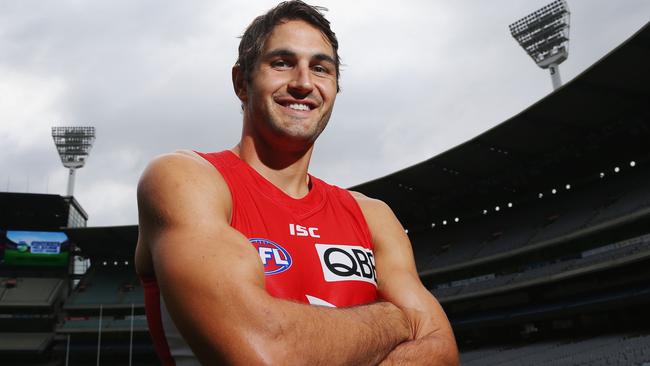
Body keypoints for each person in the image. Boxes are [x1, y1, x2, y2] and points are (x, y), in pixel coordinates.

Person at [135, 1, 458, 365]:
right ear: (242, 82)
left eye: (321, 68)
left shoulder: (372, 216)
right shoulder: (185, 179)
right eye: (282, 63)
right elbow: (269, 351)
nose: (304, 83)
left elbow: (441, 352)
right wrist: (392, 318)